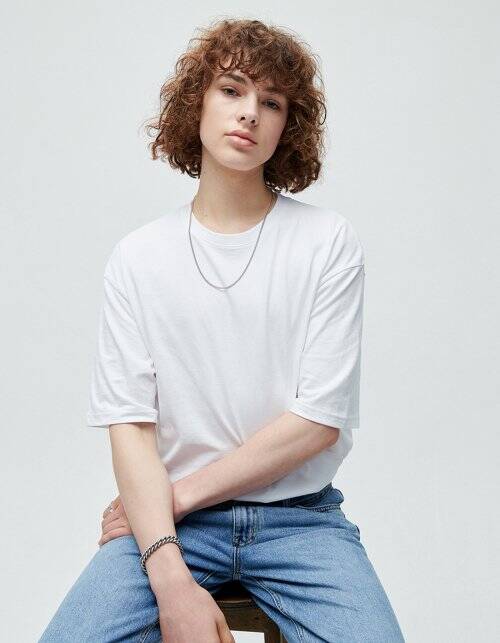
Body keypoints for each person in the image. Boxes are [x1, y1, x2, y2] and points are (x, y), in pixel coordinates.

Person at [39, 17, 405, 643]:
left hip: (300, 523)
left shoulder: (326, 241)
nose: (250, 113)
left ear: (288, 126)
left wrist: (172, 497)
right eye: (232, 90)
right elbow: (130, 426)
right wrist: (167, 568)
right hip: (173, 529)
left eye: (272, 102)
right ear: (197, 103)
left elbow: (317, 422)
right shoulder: (138, 257)